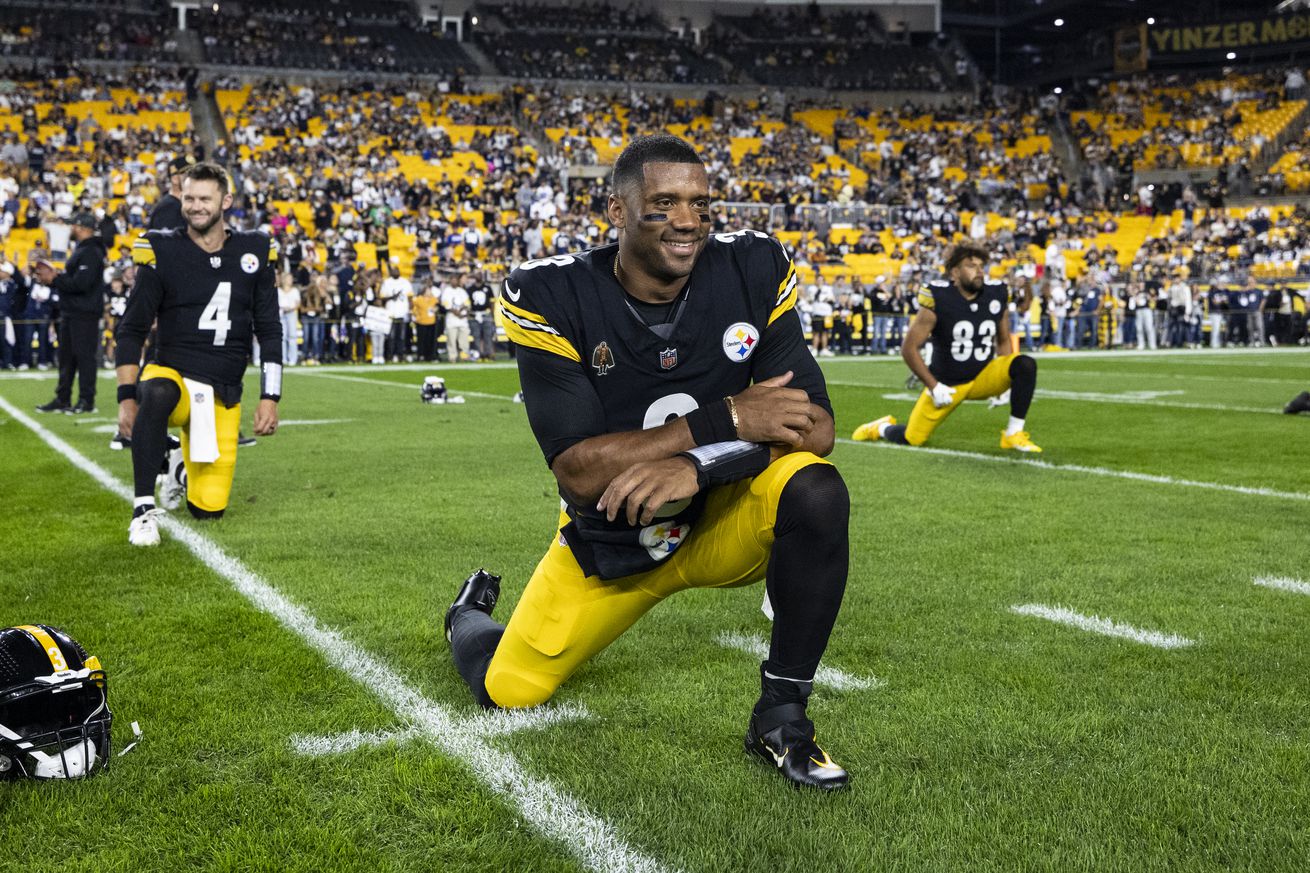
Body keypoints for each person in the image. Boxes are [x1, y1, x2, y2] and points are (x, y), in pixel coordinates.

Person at [445, 135, 852, 790]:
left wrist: (701, 465)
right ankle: (467, 614)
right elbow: (578, 469)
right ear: (618, 208)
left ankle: (781, 716)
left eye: (699, 202)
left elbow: (818, 426)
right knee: (507, 688)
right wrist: (726, 418)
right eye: (664, 203)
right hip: (615, 537)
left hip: (722, 516)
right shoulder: (555, 292)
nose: (688, 219)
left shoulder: (752, 267)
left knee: (816, 489)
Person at [113, 162, 282, 547]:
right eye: (188, 197)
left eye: (204, 198)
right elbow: (132, 328)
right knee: (156, 391)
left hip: (223, 389)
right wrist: (126, 398)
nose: (195, 206)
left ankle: (179, 468)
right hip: (173, 375)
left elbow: (270, 330)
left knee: (208, 510)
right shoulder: (161, 248)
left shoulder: (254, 249)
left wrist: (270, 397)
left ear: (225, 200)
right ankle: (142, 509)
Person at [851, 241, 1042, 453]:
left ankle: (1013, 433)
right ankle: (881, 428)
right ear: (955, 273)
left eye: (981, 265)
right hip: (947, 384)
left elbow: (1004, 340)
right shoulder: (939, 298)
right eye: (971, 266)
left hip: (984, 375)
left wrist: (1005, 380)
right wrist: (934, 386)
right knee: (912, 438)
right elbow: (909, 348)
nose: (979, 271)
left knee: (1024, 364)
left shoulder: (996, 293)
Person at [34, 212, 108, 414]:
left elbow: (83, 284)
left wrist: (55, 279)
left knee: (84, 357)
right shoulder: (84, 249)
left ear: (83, 227)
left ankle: (86, 400)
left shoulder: (92, 250)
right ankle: (62, 398)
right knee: (66, 357)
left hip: (85, 313)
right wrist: (58, 277)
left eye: (74, 225)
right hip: (72, 311)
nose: (71, 229)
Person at [147, 155, 196, 231]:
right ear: (175, 179)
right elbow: (165, 241)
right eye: (188, 174)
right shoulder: (168, 208)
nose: (194, 178)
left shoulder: (183, 204)